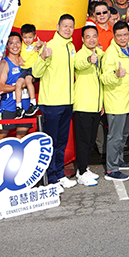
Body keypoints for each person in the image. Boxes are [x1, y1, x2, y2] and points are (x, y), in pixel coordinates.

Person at [31, 15, 78, 188]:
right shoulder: (49, 46)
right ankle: (51, 179)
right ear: (57, 27)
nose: (68, 29)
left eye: (71, 26)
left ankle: (59, 174)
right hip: (51, 103)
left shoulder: (71, 46)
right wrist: (43, 57)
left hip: (67, 102)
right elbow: (35, 73)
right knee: (51, 142)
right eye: (65, 26)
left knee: (61, 142)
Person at [100, 21, 129, 181]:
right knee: (115, 136)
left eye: (125, 34)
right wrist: (116, 75)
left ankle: (118, 161)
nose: (123, 38)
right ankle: (111, 170)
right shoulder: (110, 53)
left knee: (124, 134)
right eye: (119, 35)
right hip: (116, 101)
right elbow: (104, 77)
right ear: (114, 36)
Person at [72, 25, 104, 186]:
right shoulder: (80, 55)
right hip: (83, 105)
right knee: (84, 141)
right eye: (88, 37)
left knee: (90, 141)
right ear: (83, 40)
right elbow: (78, 64)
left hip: (96, 105)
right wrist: (88, 60)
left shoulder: (99, 53)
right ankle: (81, 172)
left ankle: (84, 168)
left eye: (94, 36)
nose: (91, 39)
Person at [0, 34, 33, 144]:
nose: (14, 45)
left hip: (25, 105)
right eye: (11, 43)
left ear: (21, 44)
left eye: (17, 42)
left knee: (20, 139)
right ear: (7, 46)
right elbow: (1, 87)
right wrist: (19, 86)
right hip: (9, 107)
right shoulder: (5, 64)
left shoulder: (26, 61)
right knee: (0, 138)